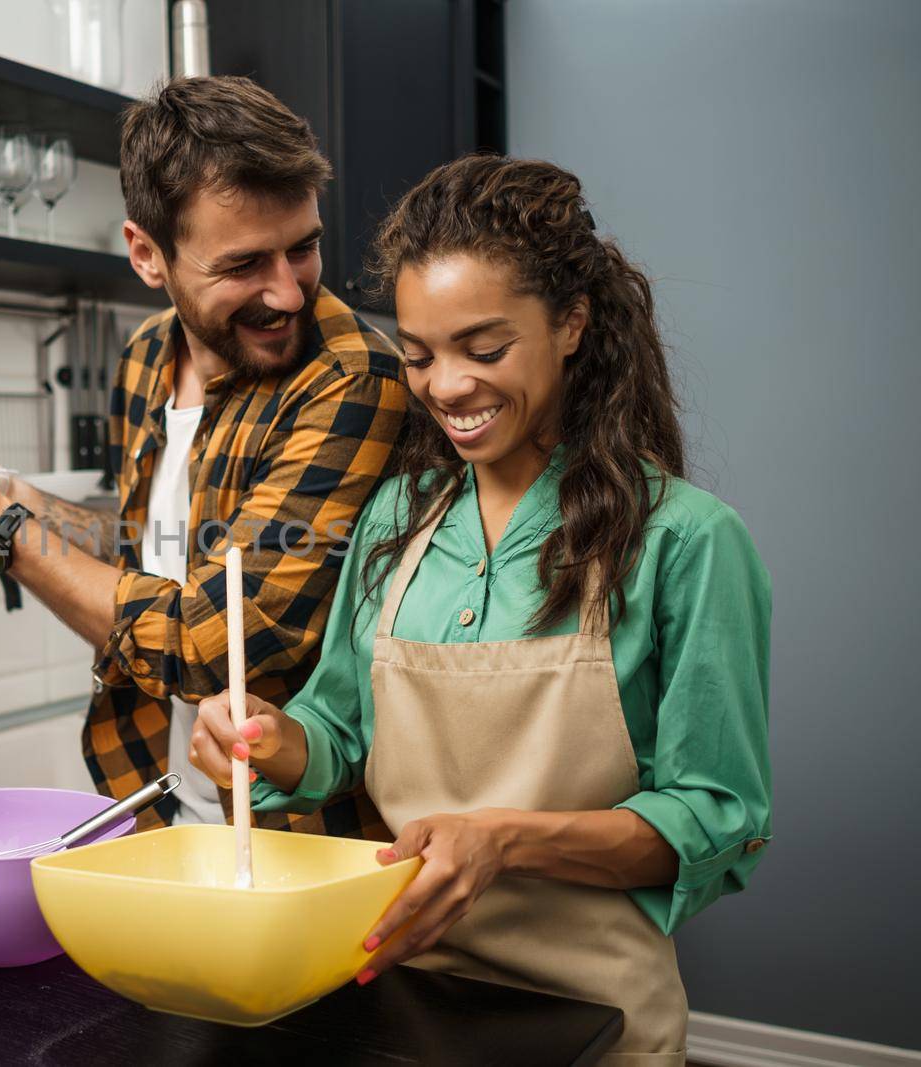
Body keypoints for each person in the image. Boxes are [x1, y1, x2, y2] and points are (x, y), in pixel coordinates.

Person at [191, 155, 771, 1062]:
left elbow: (716, 819)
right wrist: (265, 735)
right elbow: (337, 731)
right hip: (406, 1000)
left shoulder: (685, 542)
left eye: (484, 349)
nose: (446, 386)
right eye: (419, 355)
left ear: (572, 323)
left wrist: (503, 839)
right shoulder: (399, 517)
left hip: (593, 1017)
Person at [0, 76, 407, 834]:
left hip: (297, 836)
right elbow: (152, 556)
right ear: (147, 255)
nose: (289, 294)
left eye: (303, 249)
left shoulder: (350, 378)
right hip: (161, 802)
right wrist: (1, 501)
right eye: (242, 266)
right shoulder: (143, 357)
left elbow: (208, 642)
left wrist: (5, 530)